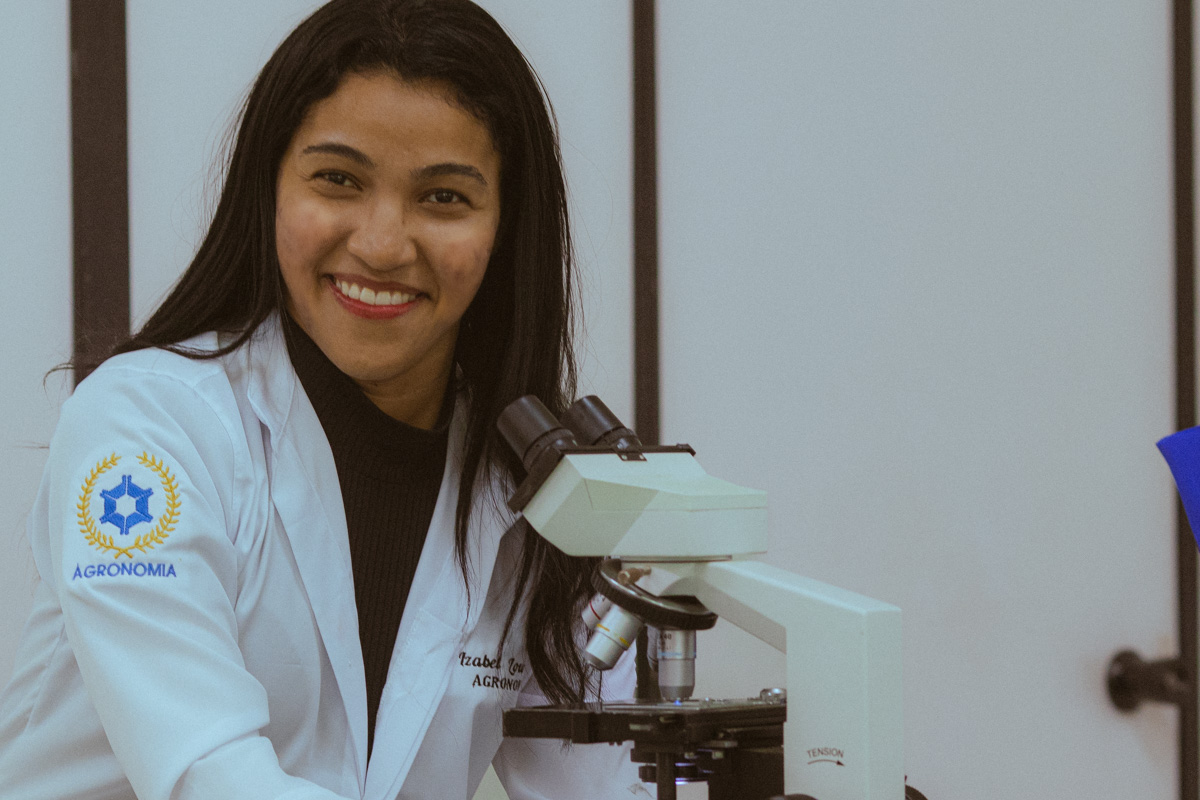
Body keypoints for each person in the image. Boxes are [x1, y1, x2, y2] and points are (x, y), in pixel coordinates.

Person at [0, 1, 646, 798]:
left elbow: (608, 781)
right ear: (269, 189)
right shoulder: (148, 429)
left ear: (506, 228)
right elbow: (209, 774)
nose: (381, 244)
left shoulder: (529, 493)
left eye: (444, 197)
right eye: (338, 180)